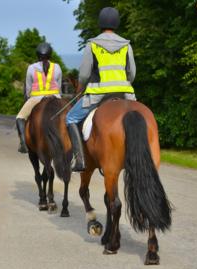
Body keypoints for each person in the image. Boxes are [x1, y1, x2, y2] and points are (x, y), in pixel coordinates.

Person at [66, 7, 137, 171]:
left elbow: (83, 75)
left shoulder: (92, 44)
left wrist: (81, 89)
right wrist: (123, 83)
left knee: (70, 118)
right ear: (117, 23)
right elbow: (132, 73)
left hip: (98, 94)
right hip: (124, 93)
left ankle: (79, 160)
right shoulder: (127, 45)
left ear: (100, 23)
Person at [16, 42, 62, 153]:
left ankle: (23, 143)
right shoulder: (57, 67)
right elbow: (59, 86)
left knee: (20, 117)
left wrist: (28, 97)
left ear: (38, 55)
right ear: (50, 54)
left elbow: (28, 88)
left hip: (36, 98)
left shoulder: (31, 68)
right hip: (55, 97)